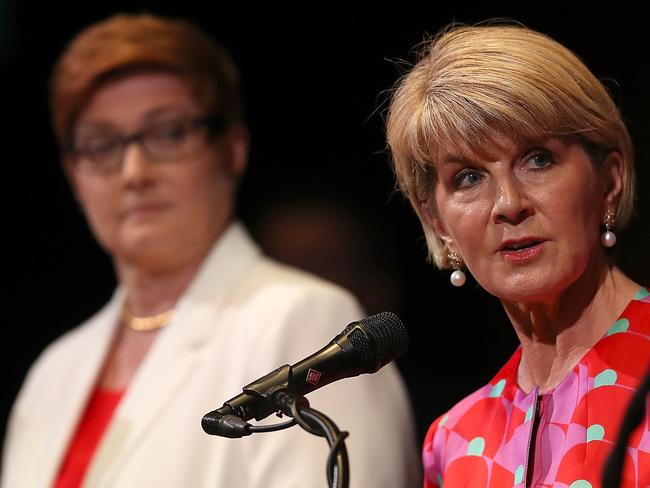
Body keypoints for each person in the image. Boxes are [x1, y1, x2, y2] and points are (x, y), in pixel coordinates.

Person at [1, 13, 419, 487]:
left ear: (232, 149)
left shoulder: (302, 319)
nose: (134, 172)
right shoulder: (54, 371)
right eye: (101, 145)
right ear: (74, 174)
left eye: (168, 134)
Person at [386, 23, 649, 487]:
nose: (508, 204)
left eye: (538, 159)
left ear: (609, 181)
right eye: (468, 177)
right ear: (439, 224)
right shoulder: (453, 444)